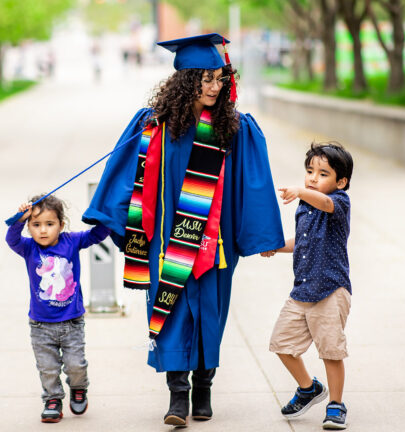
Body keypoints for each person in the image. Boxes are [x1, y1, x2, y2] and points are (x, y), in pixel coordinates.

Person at [83, 33, 284, 426]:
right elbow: (125, 175)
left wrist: (259, 234)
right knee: (170, 312)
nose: (213, 86)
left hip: (215, 243)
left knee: (211, 314)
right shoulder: (152, 125)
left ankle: (204, 387)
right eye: (204, 79)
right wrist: (111, 215)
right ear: (185, 80)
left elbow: (253, 184)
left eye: (219, 78)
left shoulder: (234, 128)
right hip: (164, 241)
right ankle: (178, 396)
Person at [261, 142, 354, 430]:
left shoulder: (339, 202)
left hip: (330, 289)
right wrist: (277, 247)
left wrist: (302, 191)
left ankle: (336, 404)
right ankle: (308, 387)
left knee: (330, 351)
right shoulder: (304, 206)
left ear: (341, 182)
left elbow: (325, 203)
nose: (313, 178)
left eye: (322, 174)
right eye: (309, 171)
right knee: (281, 343)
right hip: (302, 290)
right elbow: (301, 243)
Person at [6, 194, 109, 423]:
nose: (43, 230)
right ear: (29, 227)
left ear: (61, 225)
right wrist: (19, 219)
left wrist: (105, 214)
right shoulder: (28, 247)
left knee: (76, 365)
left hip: (71, 322)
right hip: (41, 325)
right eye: (36, 225)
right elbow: (11, 239)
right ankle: (52, 399)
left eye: (49, 224)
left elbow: (98, 234)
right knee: (48, 369)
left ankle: (79, 387)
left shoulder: (71, 241)